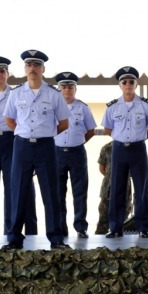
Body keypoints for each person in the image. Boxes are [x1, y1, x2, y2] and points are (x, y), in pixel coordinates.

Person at [3, 49, 71, 250]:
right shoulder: (15, 93)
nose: (33, 69)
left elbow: (64, 123)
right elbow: (9, 119)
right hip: (22, 146)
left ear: (43, 69)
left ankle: (56, 238)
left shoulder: (53, 94)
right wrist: (24, 134)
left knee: (51, 192)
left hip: (45, 146)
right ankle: (14, 237)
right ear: (25, 69)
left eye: (36, 65)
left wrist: (45, 133)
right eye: (29, 65)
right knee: (18, 191)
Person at [0, 56, 38, 239]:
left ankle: (10, 228)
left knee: (12, 186)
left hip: (11, 140)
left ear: (8, 74)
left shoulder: (16, 93)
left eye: (2, 71)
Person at [101, 66, 148, 239]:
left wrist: (138, 137)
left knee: (141, 189)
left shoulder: (146, 105)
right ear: (120, 85)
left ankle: (143, 227)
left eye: (131, 82)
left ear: (136, 84)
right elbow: (107, 128)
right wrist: (121, 139)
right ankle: (115, 227)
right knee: (117, 188)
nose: (128, 85)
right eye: (124, 82)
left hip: (138, 149)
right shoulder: (112, 106)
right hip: (119, 149)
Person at [54, 72, 97, 238]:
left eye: (70, 87)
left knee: (80, 191)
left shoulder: (83, 107)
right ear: (59, 90)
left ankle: (81, 227)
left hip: (77, 152)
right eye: (63, 87)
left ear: (75, 89)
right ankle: (60, 227)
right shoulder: (53, 107)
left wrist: (76, 142)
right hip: (57, 153)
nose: (67, 90)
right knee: (58, 193)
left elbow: (91, 130)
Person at [94, 141, 133, 235]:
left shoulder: (131, 148)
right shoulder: (106, 148)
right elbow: (102, 168)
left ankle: (119, 233)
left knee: (124, 213)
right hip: (108, 186)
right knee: (103, 214)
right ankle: (100, 236)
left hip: (125, 187)